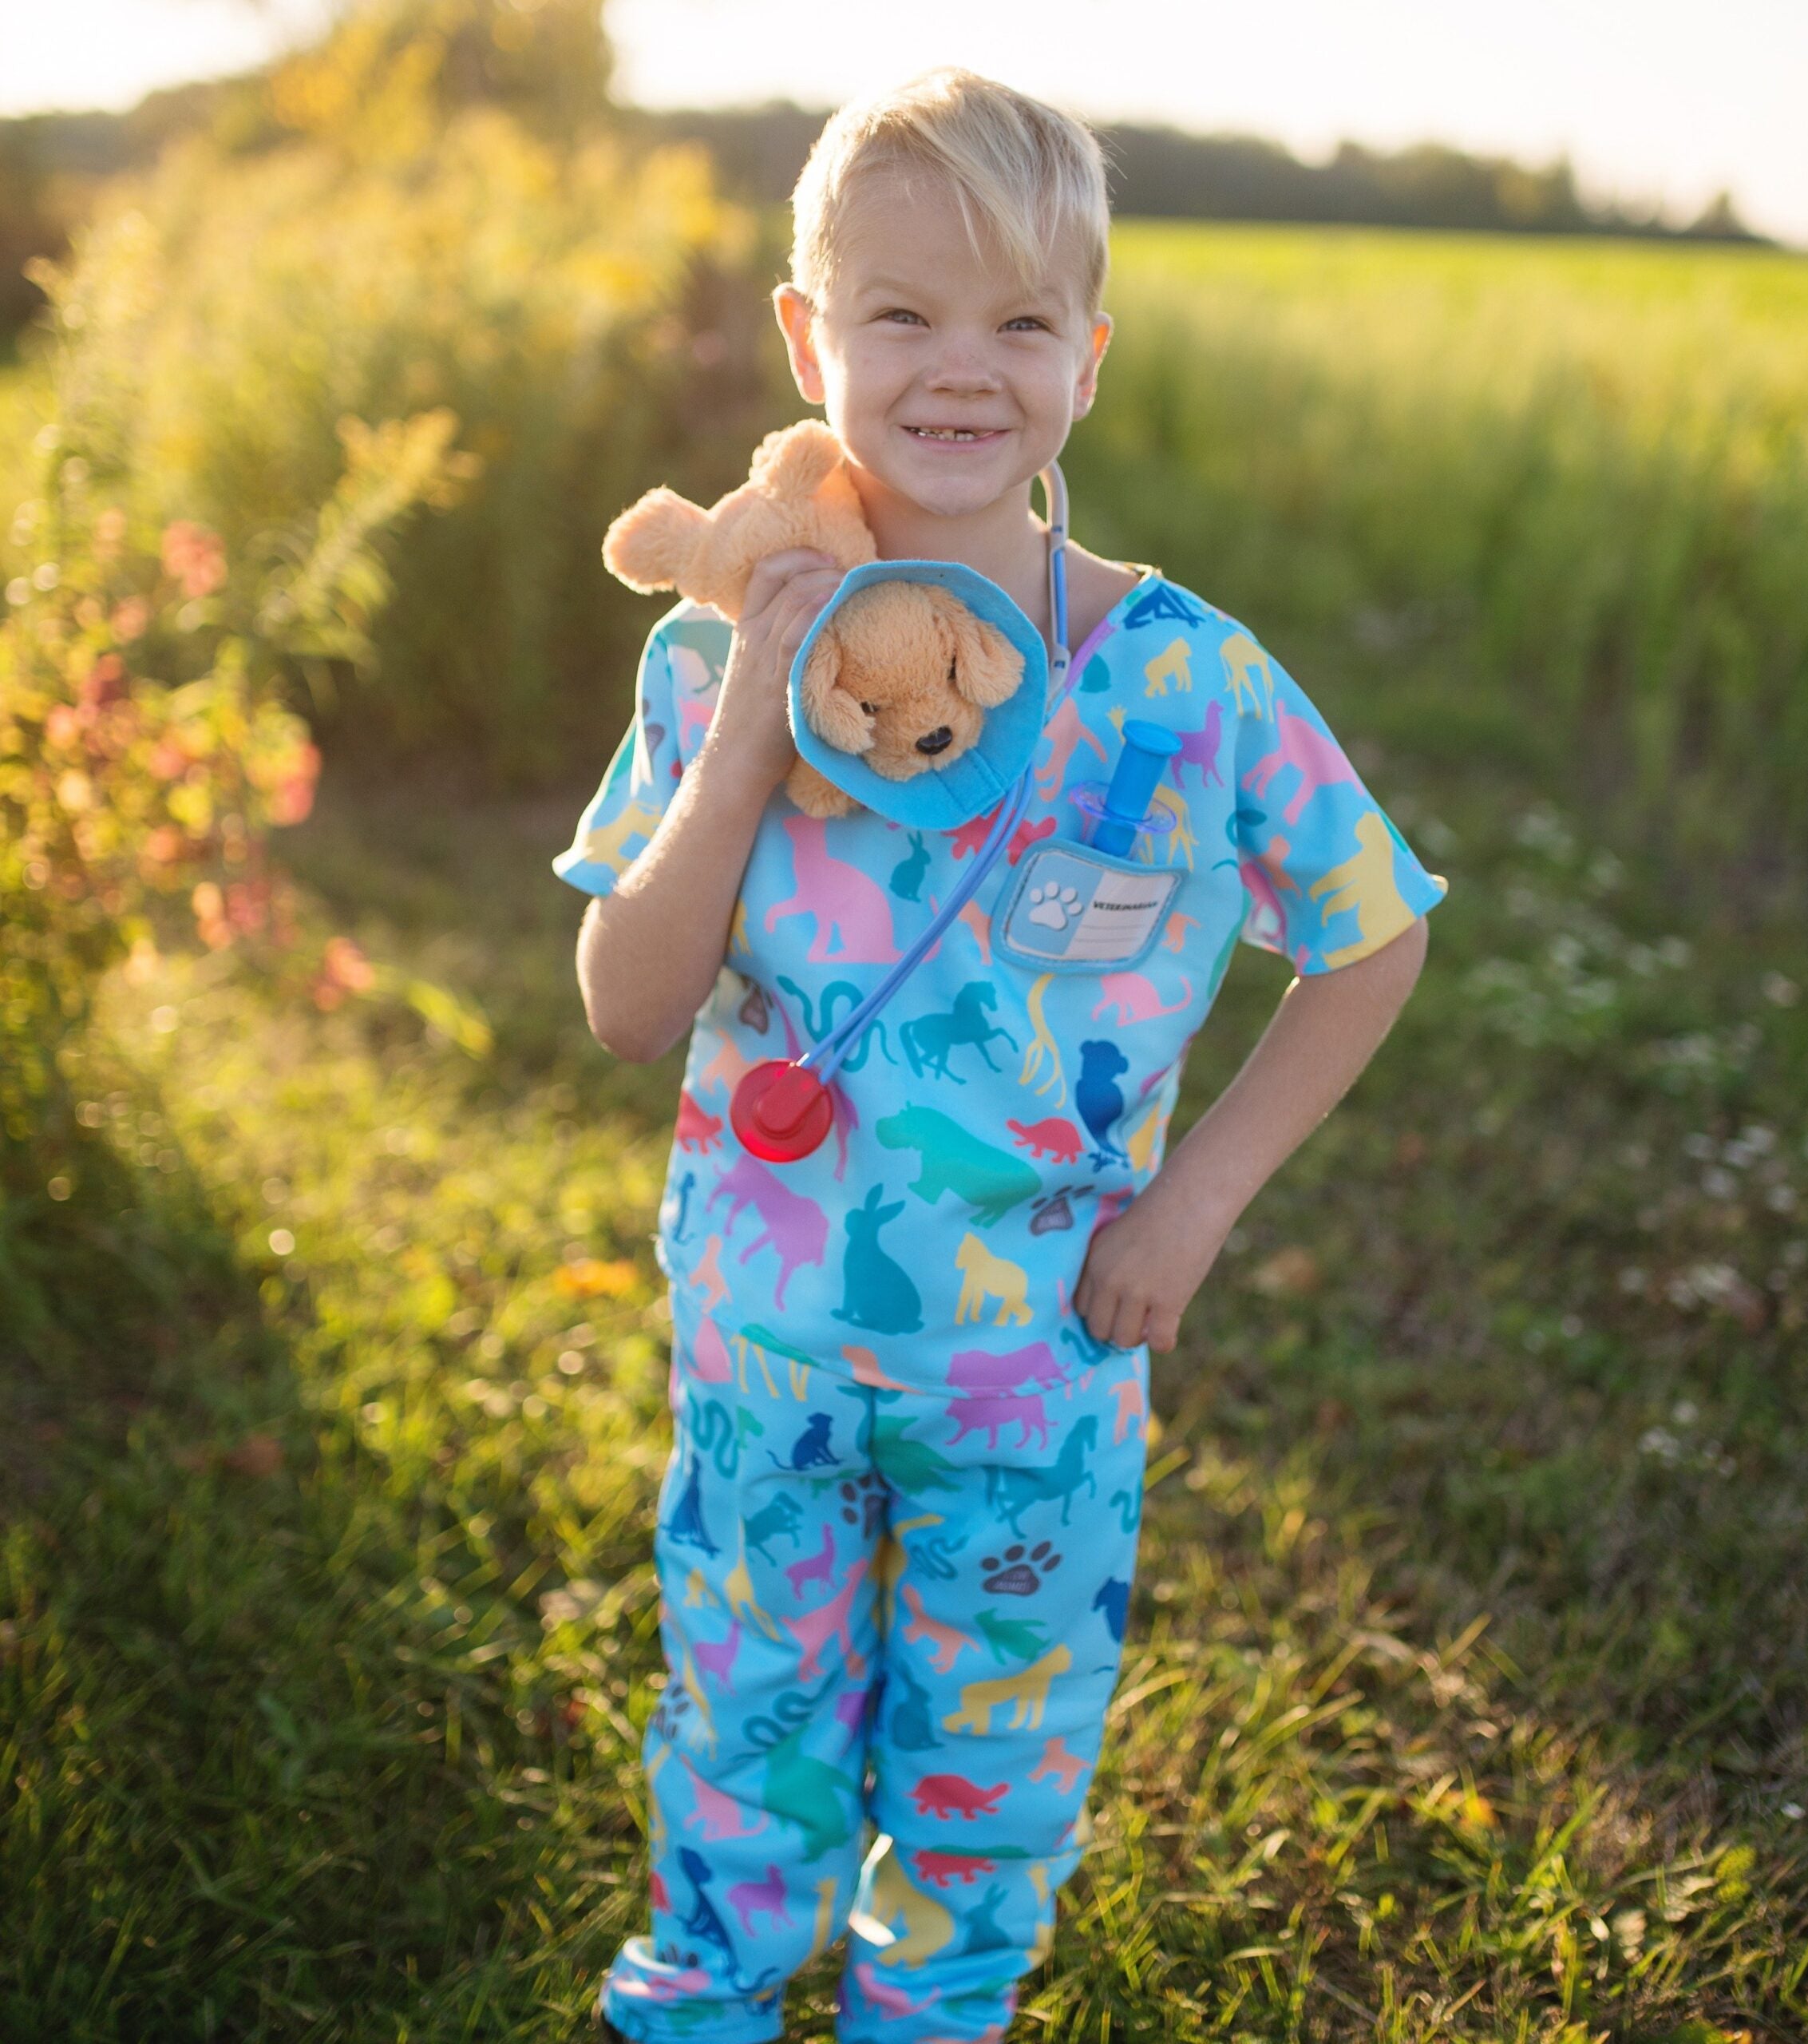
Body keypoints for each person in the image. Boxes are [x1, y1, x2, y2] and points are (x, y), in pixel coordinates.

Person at [553, 67, 1447, 2044]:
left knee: (995, 1736)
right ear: (809, 338)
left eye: (1020, 321)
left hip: (1036, 1355)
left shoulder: (1182, 679)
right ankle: (703, 1992)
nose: (961, 368)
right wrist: (746, 742)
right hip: (764, 1337)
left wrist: (1196, 1201)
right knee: (745, 1704)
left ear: (1088, 360)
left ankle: (930, 2005)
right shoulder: (717, 649)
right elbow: (627, 1003)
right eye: (901, 314)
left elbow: (1369, 928)